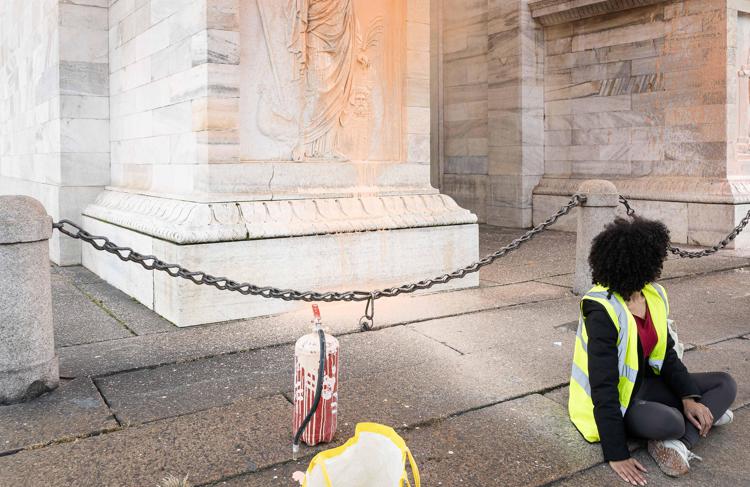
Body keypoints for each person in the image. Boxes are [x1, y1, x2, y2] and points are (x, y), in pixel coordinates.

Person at [568, 216, 737, 485]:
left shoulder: (653, 295)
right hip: (619, 403)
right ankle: (698, 423)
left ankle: (678, 444)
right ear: (643, 264)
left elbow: (667, 355)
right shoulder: (602, 309)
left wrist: (688, 396)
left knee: (725, 384)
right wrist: (616, 453)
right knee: (672, 422)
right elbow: (604, 387)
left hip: (646, 386)